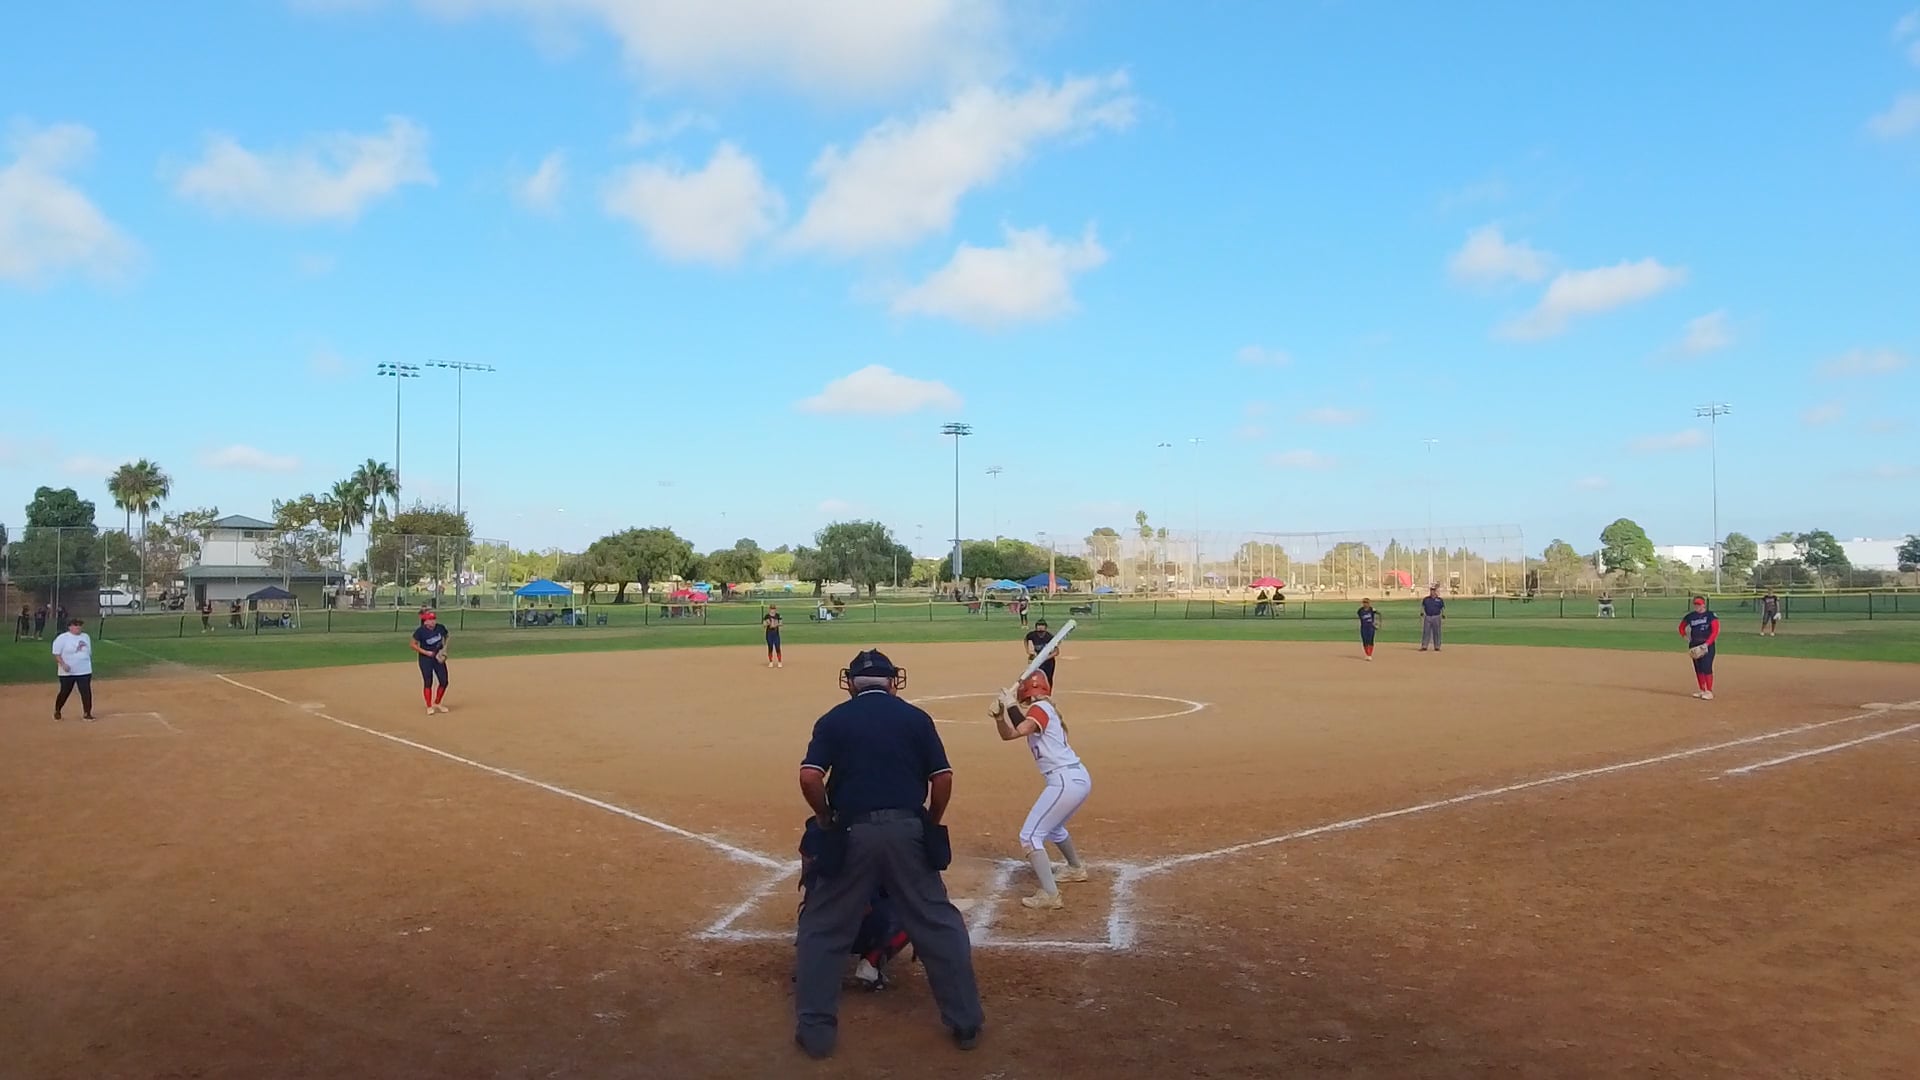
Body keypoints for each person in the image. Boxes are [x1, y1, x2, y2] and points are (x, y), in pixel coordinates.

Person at [793, 649, 983, 1060]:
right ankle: (966, 1021)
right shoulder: (916, 718)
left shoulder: (833, 719)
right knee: (937, 922)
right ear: (893, 682)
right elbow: (942, 778)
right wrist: (930, 821)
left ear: (851, 684)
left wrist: (825, 817)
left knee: (823, 928)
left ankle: (817, 1033)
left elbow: (809, 776)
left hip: (851, 831)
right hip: (907, 829)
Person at [990, 669, 1091, 910]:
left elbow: (1023, 728)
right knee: (1054, 829)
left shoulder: (1040, 708)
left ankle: (1050, 894)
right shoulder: (1042, 710)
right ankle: (1075, 868)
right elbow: (1010, 734)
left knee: (1029, 836)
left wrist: (1011, 704)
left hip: (1064, 780)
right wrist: (1000, 717)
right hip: (1074, 778)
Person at [51, 616, 95, 721]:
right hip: (68, 671)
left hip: (84, 670)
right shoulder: (62, 638)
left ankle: (87, 713)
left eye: (80, 625)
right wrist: (63, 664)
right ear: (70, 627)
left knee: (86, 691)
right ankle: (58, 710)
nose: (78, 627)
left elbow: (88, 652)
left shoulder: (85, 637)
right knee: (65, 691)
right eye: (76, 625)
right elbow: (56, 653)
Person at [1678, 595, 1720, 699]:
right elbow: (1681, 627)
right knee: (1698, 668)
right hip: (1694, 645)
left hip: (1707, 645)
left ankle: (1709, 691)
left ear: (1704, 604)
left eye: (1699, 604)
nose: (1697, 606)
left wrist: (1707, 644)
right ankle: (1702, 690)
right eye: (1696, 604)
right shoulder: (1691, 616)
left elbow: (1715, 631)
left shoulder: (1710, 615)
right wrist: (1685, 636)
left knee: (1706, 667)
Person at [410, 609, 451, 714]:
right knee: (428, 681)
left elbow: (447, 636)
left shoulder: (440, 628)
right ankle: (429, 706)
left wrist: (444, 649)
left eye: (434, 619)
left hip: (438, 657)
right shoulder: (420, 631)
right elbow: (412, 644)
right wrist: (426, 652)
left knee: (444, 681)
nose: (433, 621)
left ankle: (437, 702)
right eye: (430, 619)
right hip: (425, 659)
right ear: (425, 622)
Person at [1023, 618, 1057, 687]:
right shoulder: (1032, 635)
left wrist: (1045, 658)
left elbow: (1056, 652)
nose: (1040, 627)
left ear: (1046, 628)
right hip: (1037, 660)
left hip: (1049, 662)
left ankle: (1048, 691)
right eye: (1039, 625)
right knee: (1037, 676)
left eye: (1042, 625)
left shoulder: (1049, 637)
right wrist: (1028, 650)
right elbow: (1026, 639)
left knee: (1048, 678)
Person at [1419, 584, 1445, 651]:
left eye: (1433, 590)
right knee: (1426, 632)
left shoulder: (1439, 600)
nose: (1432, 592)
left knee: (1437, 632)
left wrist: (1443, 615)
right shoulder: (1426, 599)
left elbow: (1442, 608)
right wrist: (1422, 613)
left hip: (1436, 617)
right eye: (1431, 590)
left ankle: (1437, 646)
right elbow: (1423, 606)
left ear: (1435, 591)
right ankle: (1424, 646)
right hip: (1428, 617)